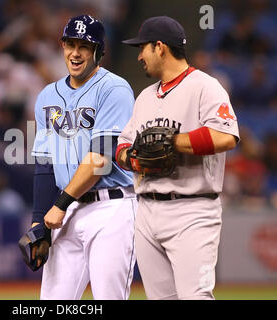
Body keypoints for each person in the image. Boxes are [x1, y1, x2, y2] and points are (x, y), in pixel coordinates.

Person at [116, 16, 240, 300]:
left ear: (160, 47)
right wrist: (133, 159)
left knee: (195, 296)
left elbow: (226, 136)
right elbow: (122, 145)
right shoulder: (145, 97)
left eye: (143, 48)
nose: (138, 56)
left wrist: (172, 142)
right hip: (146, 209)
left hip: (193, 211)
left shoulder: (205, 86)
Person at [26, 15, 137, 300]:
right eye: (70, 44)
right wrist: (39, 223)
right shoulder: (47, 95)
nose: (75, 53)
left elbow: (100, 160)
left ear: (98, 51)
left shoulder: (114, 89)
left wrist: (60, 204)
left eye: (84, 46)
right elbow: (45, 163)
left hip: (111, 208)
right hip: (68, 212)